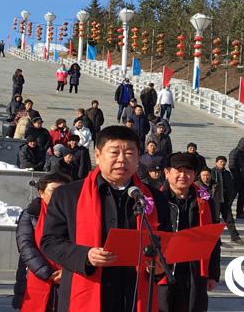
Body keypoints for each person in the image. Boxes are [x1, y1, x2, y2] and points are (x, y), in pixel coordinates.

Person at [40, 126, 171, 312]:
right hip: (85, 290)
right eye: (115, 152)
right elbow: (50, 242)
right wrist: (85, 255)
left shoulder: (153, 199)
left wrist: (158, 268)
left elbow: (165, 243)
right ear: (98, 155)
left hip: (134, 295)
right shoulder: (68, 195)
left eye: (129, 153)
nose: (122, 159)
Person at [158, 152, 221, 312]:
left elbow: (213, 239)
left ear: (195, 174)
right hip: (163, 269)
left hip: (193, 270)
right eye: (178, 170)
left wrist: (213, 274)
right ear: (167, 172)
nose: (183, 175)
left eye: (188, 171)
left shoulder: (205, 201)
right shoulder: (155, 199)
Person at [12, 173, 71, 311]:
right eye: (53, 191)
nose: (58, 195)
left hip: (66, 276)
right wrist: (47, 272)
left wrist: (68, 273)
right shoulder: (30, 214)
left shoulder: (75, 214)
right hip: (36, 275)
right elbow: (25, 245)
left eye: (62, 191)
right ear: (41, 193)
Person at [211, 156, 242, 243]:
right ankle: (215, 238)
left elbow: (231, 187)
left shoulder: (227, 173)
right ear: (216, 162)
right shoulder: (211, 172)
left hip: (225, 200)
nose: (223, 163)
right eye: (221, 161)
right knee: (215, 220)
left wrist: (230, 198)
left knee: (229, 219)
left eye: (224, 162)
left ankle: (235, 236)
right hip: (215, 200)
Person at [228, 137, 244, 219]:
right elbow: (231, 166)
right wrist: (237, 176)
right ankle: (226, 211)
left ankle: (240, 212)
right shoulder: (234, 152)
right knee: (232, 195)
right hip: (236, 178)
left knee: (242, 196)